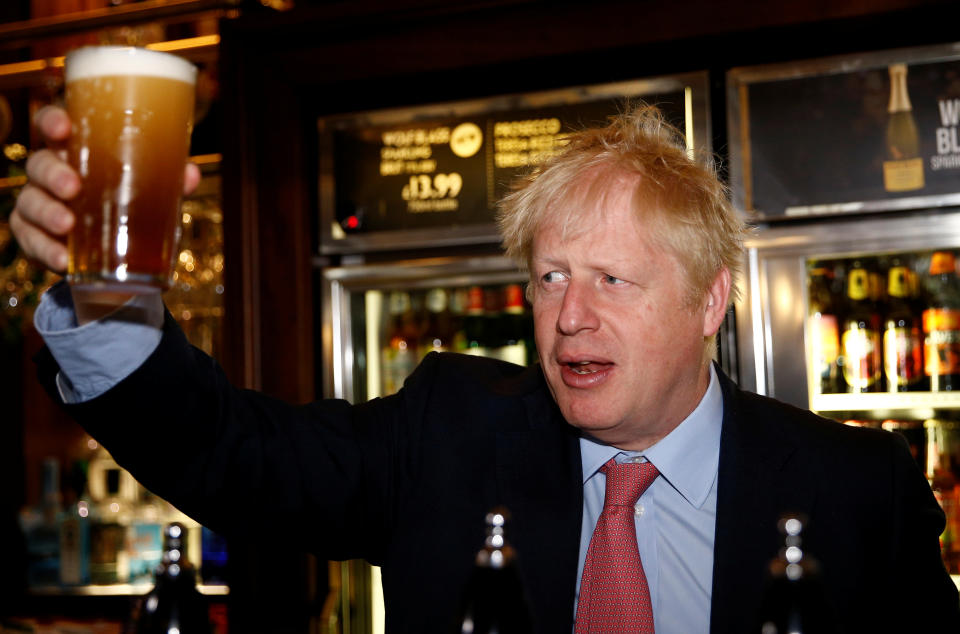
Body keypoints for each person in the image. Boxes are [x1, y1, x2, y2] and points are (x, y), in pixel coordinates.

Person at [12, 103, 960, 633]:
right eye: (551, 277)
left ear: (709, 301)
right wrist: (107, 294)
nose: (570, 316)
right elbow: (233, 453)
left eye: (614, 279)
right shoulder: (450, 430)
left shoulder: (858, 489)